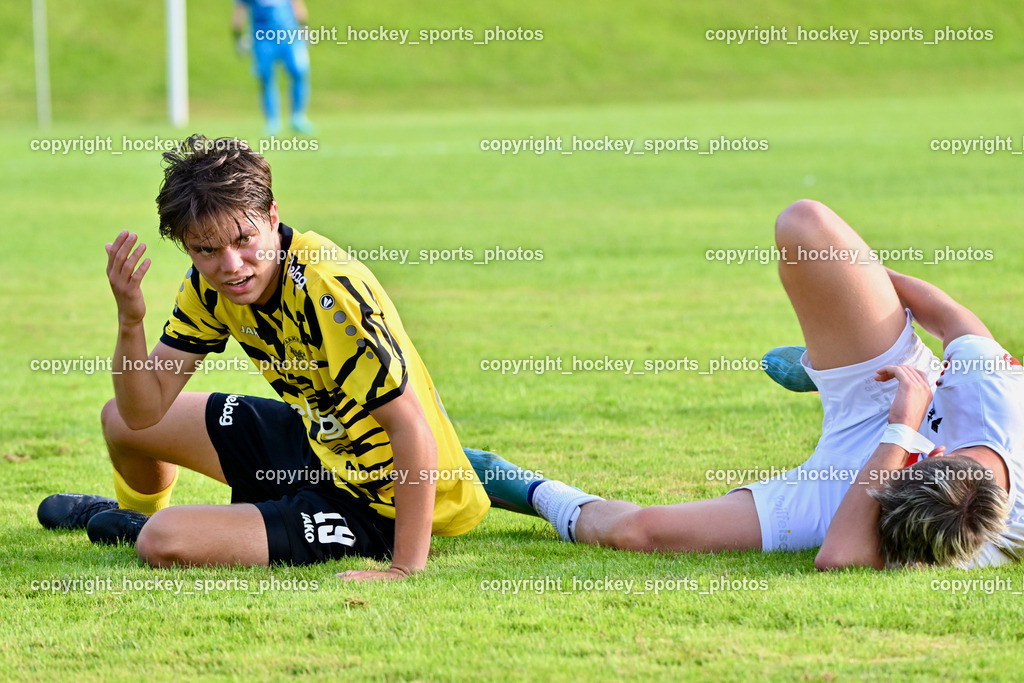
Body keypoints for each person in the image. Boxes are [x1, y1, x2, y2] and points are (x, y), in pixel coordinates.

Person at [468, 199, 1019, 569]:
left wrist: (901, 428)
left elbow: (839, 557)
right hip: (898, 383)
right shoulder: (994, 394)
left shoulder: (956, 536)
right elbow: (946, 313)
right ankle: (823, 363)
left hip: (864, 470)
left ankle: (525, 489)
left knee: (640, 533)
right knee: (807, 227)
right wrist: (857, 289)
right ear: (936, 452)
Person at [37, 135, 489, 582]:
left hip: (378, 498)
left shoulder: (328, 290)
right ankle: (129, 520)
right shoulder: (207, 287)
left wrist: (404, 568)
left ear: (272, 216)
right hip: (315, 442)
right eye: (206, 249)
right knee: (117, 418)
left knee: (164, 541)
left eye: (244, 239)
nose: (230, 265)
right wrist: (130, 322)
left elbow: (410, 426)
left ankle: (143, 531)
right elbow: (143, 412)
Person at [232, 0, 314, 135]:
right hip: (263, 39)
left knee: (298, 71)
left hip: (289, 36)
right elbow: (240, 10)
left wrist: (304, 28)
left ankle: (298, 117)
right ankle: (272, 121)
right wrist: (238, 37)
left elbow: (297, 5)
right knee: (265, 77)